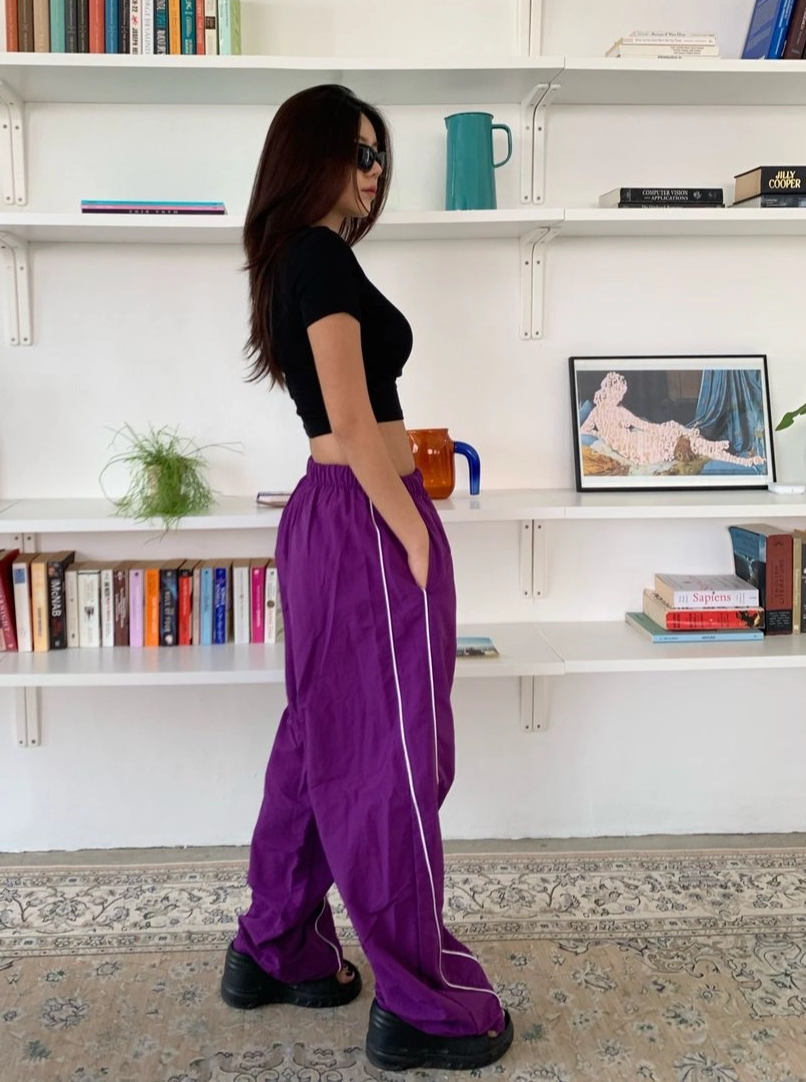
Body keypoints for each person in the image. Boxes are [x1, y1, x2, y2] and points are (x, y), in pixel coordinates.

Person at [219, 84, 513, 1072]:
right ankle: (422, 1004)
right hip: (364, 514)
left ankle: (273, 945)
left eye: (381, 153)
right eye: (359, 150)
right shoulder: (320, 255)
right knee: (389, 761)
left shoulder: (294, 257)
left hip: (330, 515)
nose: (375, 170)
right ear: (309, 156)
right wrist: (412, 532)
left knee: (321, 739)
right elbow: (351, 421)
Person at [580, 371, 766, 468]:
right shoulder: (619, 411)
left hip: (637, 445)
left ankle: (704, 441)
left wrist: (603, 436)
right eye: (619, 393)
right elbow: (647, 426)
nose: (620, 396)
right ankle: (742, 461)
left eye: (621, 393)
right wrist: (669, 430)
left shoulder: (596, 412)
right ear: (610, 391)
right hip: (641, 448)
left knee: (678, 432)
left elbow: (584, 430)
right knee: (684, 437)